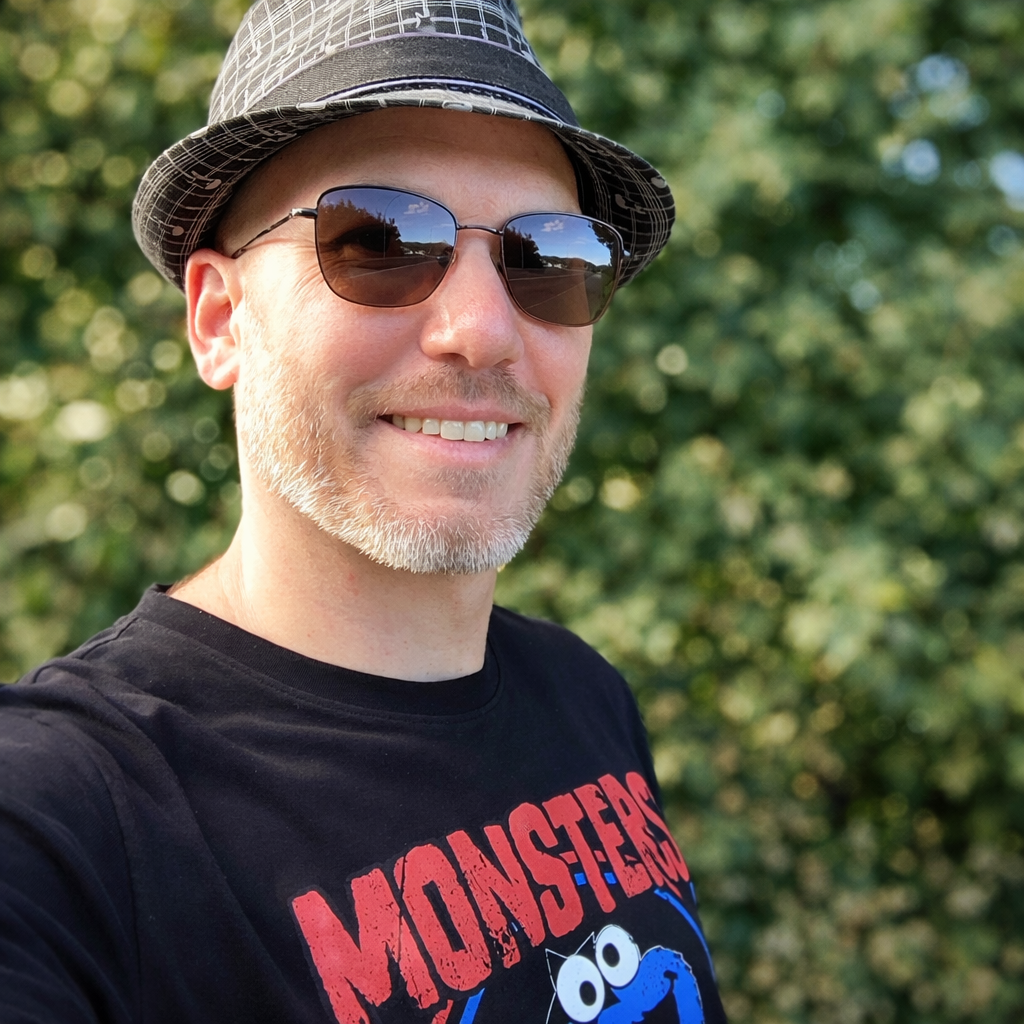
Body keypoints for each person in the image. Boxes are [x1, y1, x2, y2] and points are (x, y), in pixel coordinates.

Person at [0, 2, 725, 1022]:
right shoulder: (59, 821)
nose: (482, 329)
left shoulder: (584, 695)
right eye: (380, 239)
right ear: (220, 320)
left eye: (546, 257)